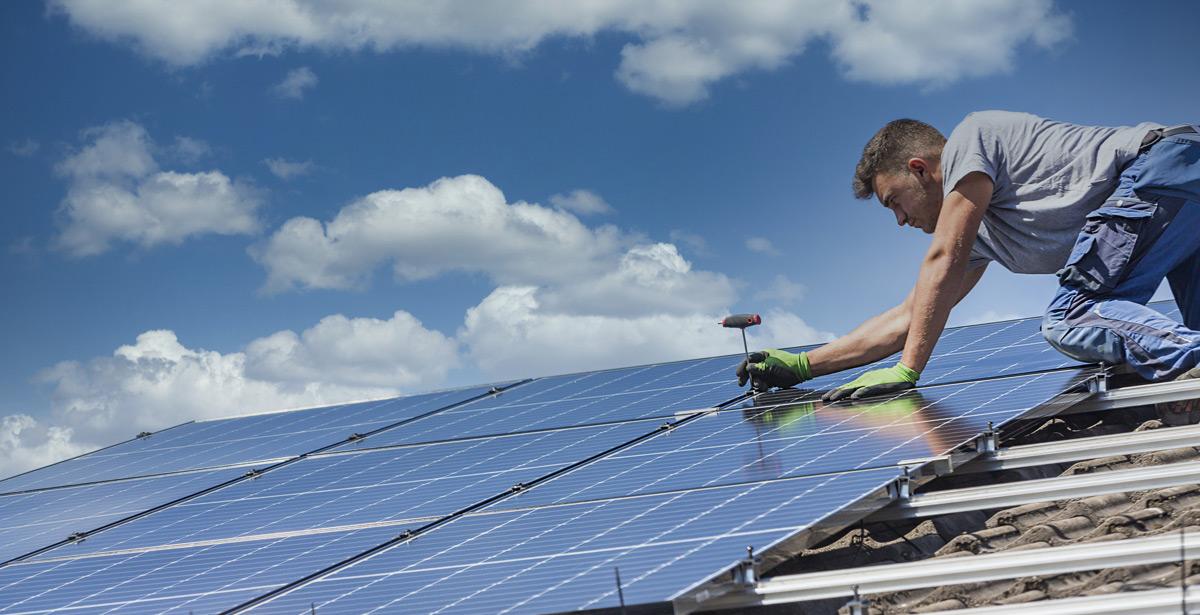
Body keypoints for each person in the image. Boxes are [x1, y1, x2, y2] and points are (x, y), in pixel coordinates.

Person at [738, 111, 1200, 421]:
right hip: (1181, 198)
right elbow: (910, 316)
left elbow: (942, 257)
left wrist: (907, 370)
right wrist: (802, 365)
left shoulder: (970, 140)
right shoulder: (984, 236)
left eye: (894, 202)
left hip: (1164, 171)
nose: (900, 220)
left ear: (920, 169)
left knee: (1073, 316)